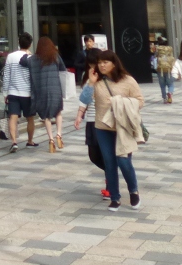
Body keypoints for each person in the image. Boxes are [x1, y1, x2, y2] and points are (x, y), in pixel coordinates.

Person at [91, 51, 144, 211]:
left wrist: (119, 102)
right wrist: (90, 83)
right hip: (102, 127)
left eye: (105, 62)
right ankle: (115, 197)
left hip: (123, 127)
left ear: (114, 64)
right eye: (100, 62)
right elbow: (85, 100)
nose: (102, 65)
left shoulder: (128, 81)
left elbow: (140, 101)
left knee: (123, 161)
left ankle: (133, 191)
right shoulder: (97, 81)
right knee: (109, 163)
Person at [72, 50, 108, 199]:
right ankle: (111, 172)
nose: (94, 67)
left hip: (105, 121)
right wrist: (79, 115)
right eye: (92, 64)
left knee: (105, 154)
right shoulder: (89, 78)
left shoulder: (109, 78)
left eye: (97, 64)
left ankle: (110, 183)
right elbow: (84, 99)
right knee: (93, 156)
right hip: (91, 121)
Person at [23, 37, 67, 151]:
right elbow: (63, 69)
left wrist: (27, 53)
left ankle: (51, 140)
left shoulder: (33, 59)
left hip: (41, 90)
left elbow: (22, 62)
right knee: (58, 112)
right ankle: (59, 134)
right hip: (55, 88)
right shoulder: (55, 56)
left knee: (46, 116)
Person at [3, 32, 37, 152]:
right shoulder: (31, 58)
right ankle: (30, 141)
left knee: (13, 117)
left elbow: (6, 75)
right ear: (30, 44)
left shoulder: (10, 56)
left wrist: (5, 93)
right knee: (30, 118)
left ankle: (14, 142)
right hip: (27, 93)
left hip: (13, 92)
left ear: (19, 42)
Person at [154, 36, 176, 104]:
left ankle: (164, 98)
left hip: (160, 69)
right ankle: (170, 92)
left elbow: (155, 57)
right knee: (171, 84)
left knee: (162, 85)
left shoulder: (158, 49)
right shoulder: (170, 49)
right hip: (169, 69)